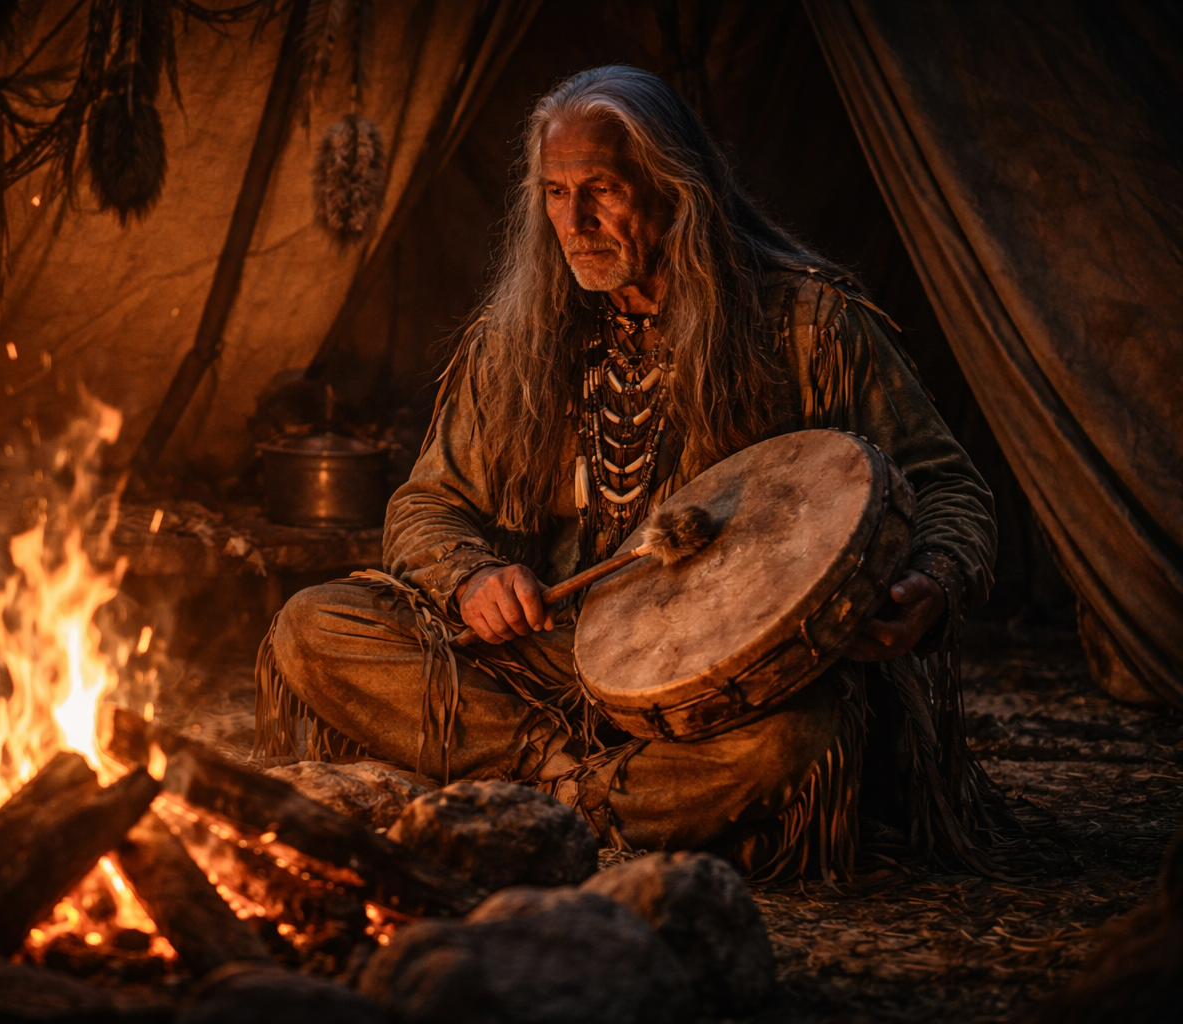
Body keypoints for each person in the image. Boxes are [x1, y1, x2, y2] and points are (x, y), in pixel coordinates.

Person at [257, 66, 1007, 879]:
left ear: (675, 188)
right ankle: (584, 791)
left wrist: (932, 581)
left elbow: (946, 485)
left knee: (804, 729)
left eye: (601, 189)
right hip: (551, 664)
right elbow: (426, 507)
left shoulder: (809, 325)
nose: (572, 221)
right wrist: (472, 575)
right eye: (553, 193)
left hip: (725, 682)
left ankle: (531, 801)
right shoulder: (516, 343)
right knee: (314, 626)